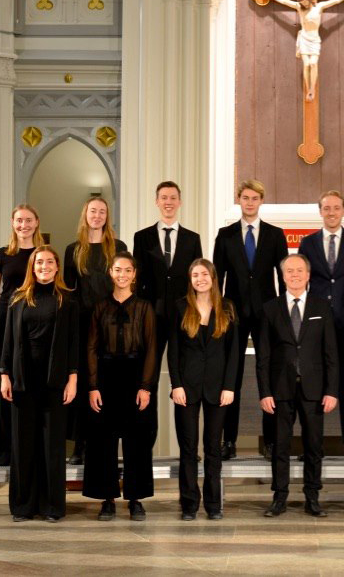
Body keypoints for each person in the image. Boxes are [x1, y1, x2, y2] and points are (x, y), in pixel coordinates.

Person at [255, 254, 338, 518]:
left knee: (313, 447)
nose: (294, 275)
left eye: (299, 271)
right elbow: (263, 357)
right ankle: (279, 498)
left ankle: (312, 498)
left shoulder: (321, 307)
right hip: (280, 390)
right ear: (282, 276)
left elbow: (331, 354)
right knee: (280, 446)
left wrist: (332, 390)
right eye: (289, 271)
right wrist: (265, 392)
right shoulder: (270, 309)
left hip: (314, 390)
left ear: (308, 275)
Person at [0, 245, 78, 523]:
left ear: (57, 267)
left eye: (49, 262)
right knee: (23, 444)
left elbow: (73, 343)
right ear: (32, 267)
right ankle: (23, 506)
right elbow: (8, 340)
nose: (44, 266)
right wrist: (4, 374)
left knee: (52, 446)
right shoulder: (18, 299)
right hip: (23, 379)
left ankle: (52, 506)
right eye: (39, 262)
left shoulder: (66, 300)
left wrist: (72, 378)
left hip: (54, 381)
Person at [213, 179, 288, 460]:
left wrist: (281, 313)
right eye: (245, 197)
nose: (249, 202)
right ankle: (228, 441)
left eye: (254, 198)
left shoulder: (275, 235)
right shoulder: (225, 235)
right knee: (230, 375)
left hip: (267, 313)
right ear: (239, 200)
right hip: (232, 313)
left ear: (261, 201)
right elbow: (216, 277)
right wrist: (219, 312)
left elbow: (283, 277)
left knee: (268, 373)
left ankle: (270, 441)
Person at [133, 181, 204, 474]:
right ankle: (144, 447)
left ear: (180, 201)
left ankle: (189, 449)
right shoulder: (143, 237)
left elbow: (195, 280)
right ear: (156, 201)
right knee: (147, 380)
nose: (168, 202)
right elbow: (136, 280)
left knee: (184, 382)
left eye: (173, 197)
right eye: (163, 197)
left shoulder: (192, 238)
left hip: (183, 319)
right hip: (150, 318)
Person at [82, 252, 157, 521]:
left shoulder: (145, 307)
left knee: (138, 439)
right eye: (117, 270)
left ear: (134, 275)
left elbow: (151, 349)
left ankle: (136, 498)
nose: (122, 274)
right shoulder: (99, 307)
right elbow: (91, 347)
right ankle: (107, 498)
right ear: (111, 273)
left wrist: (146, 386)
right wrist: (92, 386)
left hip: (136, 376)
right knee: (104, 440)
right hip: (105, 376)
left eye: (127, 270)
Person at [299, 189, 344, 461]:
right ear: (320, 211)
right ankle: (311, 445)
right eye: (326, 208)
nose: (331, 212)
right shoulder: (308, 243)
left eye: (336, 208)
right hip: (315, 322)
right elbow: (303, 282)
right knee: (313, 384)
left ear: (343, 211)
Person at [168, 259, 239, 520]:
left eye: (204, 274)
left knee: (213, 447)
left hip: (218, 389)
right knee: (188, 449)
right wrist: (176, 385)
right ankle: (189, 505)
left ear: (213, 277)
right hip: (186, 389)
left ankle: (213, 505)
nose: (200, 279)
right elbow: (173, 351)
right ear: (190, 279)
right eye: (195, 275)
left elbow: (234, 353)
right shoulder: (180, 307)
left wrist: (230, 387)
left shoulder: (228, 308)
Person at [63, 196, 127, 465]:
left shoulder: (119, 247)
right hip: (81, 323)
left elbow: (124, 284)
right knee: (84, 382)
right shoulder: (73, 249)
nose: (97, 215)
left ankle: (105, 443)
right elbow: (67, 289)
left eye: (102, 212)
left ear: (107, 216)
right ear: (85, 214)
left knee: (107, 382)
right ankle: (80, 445)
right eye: (93, 211)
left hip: (110, 323)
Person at [0, 203, 42, 465]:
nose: (24, 225)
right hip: (3, 319)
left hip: (32, 322)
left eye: (28, 220)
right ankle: (3, 450)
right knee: (4, 385)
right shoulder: (1, 255)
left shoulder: (41, 254)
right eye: (19, 220)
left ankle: (26, 448)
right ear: (12, 223)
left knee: (28, 384)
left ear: (36, 222)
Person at [256, 0, 344, 102]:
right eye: (300, 1)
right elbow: (283, 1)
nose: (302, 3)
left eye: (304, 1)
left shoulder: (319, 7)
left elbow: (336, 1)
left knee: (313, 63)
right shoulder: (299, 8)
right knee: (306, 65)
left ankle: (313, 88)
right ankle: (309, 89)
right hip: (304, 38)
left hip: (314, 39)